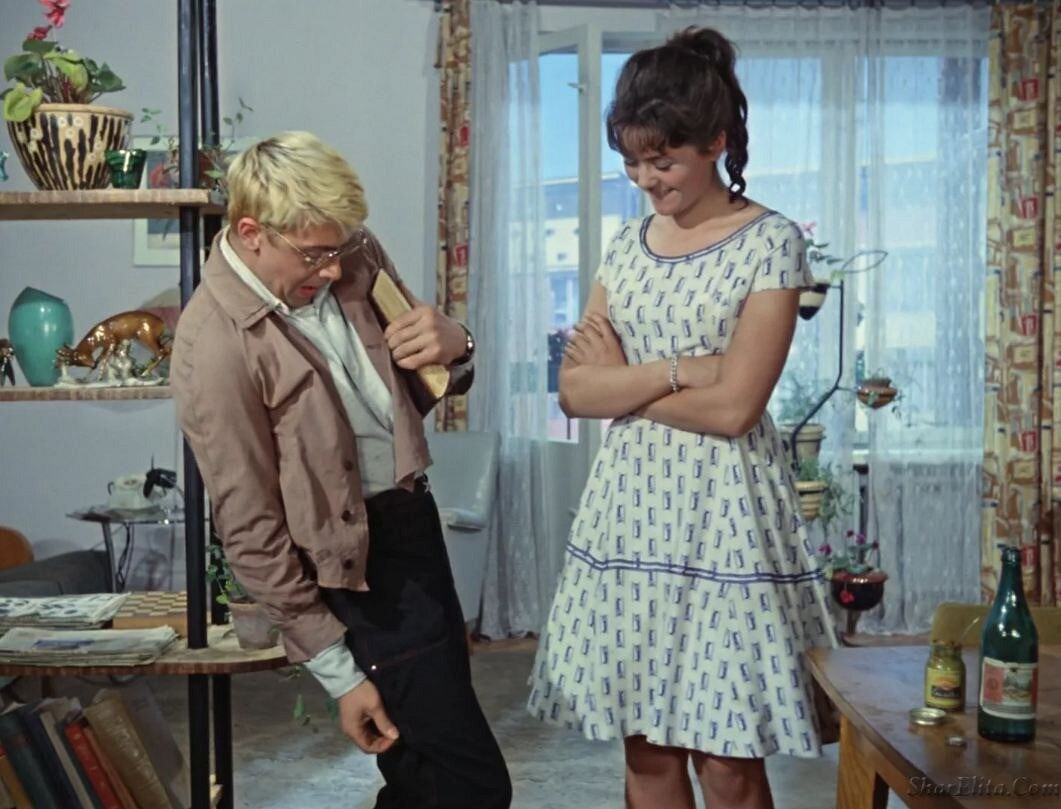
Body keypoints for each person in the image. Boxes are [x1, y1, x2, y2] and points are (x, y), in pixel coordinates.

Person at [526, 28, 837, 809]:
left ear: (715, 142)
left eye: (661, 161)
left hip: (726, 515)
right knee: (646, 748)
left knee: (726, 760)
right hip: (630, 516)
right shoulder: (625, 246)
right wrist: (677, 370)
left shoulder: (769, 243)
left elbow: (734, 408)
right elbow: (573, 392)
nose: (645, 180)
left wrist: (622, 383)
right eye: (632, 162)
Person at [172, 131, 511, 809]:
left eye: (338, 249)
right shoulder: (212, 345)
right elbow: (249, 531)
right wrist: (339, 672)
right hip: (353, 567)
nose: (332, 269)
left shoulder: (353, 251)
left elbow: (427, 373)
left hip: (413, 523)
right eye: (314, 255)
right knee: (469, 785)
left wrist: (459, 343)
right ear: (251, 233)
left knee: (424, 777)